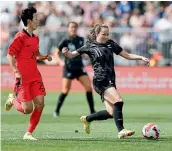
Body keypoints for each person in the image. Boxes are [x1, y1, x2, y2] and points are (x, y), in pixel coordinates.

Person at [62, 24, 150, 139]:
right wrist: (65, 52)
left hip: (110, 80)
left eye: (107, 34)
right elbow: (71, 55)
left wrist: (141, 57)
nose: (106, 36)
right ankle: (121, 130)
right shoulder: (89, 46)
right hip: (100, 80)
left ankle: (87, 119)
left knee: (111, 113)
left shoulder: (111, 44)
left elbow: (127, 55)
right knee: (118, 100)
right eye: (104, 34)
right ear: (97, 34)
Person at [5, 6, 52, 140]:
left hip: (35, 76)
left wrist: (44, 57)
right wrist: (15, 71)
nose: (38, 21)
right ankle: (12, 100)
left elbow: (35, 54)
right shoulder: (20, 37)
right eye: (36, 19)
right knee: (27, 110)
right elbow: (10, 55)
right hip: (23, 78)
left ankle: (28, 133)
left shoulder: (36, 37)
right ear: (29, 21)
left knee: (40, 103)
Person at [53, 22, 96, 117]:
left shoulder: (81, 40)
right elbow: (56, 53)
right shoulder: (65, 40)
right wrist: (60, 61)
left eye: (75, 27)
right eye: (71, 27)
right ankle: (56, 111)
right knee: (65, 90)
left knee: (88, 87)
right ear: (68, 28)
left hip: (79, 67)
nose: (73, 29)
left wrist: (85, 55)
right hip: (68, 68)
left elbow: (84, 52)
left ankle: (92, 111)